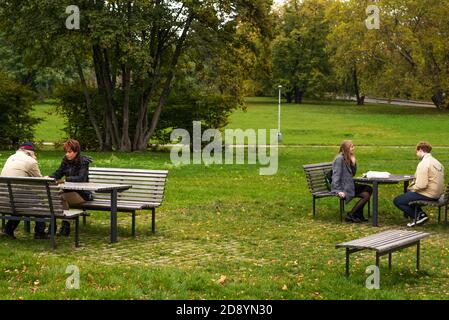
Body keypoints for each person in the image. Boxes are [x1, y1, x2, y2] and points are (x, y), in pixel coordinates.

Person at [0, 142, 49, 239]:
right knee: (40, 204)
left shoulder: (11, 157)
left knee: (21, 201)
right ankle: (39, 233)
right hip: (18, 198)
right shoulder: (31, 161)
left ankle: (8, 230)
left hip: (3, 196)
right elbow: (40, 181)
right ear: (30, 153)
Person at [394, 141, 445, 227]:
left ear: (420, 150)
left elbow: (422, 185)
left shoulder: (424, 164)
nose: (416, 154)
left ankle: (420, 216)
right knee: (407, 196)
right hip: (438, 193)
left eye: (416, 151)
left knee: (398, 201)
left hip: (428, 194)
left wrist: (411, 189)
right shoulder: (437, 162)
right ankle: (420, 215)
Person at [50, 139, 92, 236]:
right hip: (67, 192)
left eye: (69, 152)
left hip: (82, 194)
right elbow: (58, 173)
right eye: (66, 152)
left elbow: (81, 178)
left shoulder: (83, 162)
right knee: (56, 197)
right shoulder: (65, 161)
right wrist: (49, 178)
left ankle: (65, 225)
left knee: (61, 197)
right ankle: (57, 226)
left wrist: (66, 180)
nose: (67, 154)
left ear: (76, 151)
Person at [331, 140, 373, 223]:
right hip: (343, 186)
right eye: (351, 146)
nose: (353, 148)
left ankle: (355, 214)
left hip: (349, 184)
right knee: (366, 194)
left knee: (368, 189)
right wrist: (338, 191)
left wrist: (353, 163)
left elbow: (352, 174)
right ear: (346, 148)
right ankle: (352, 214)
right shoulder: (339, 159)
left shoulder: (347, 157)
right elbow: (336, 175)